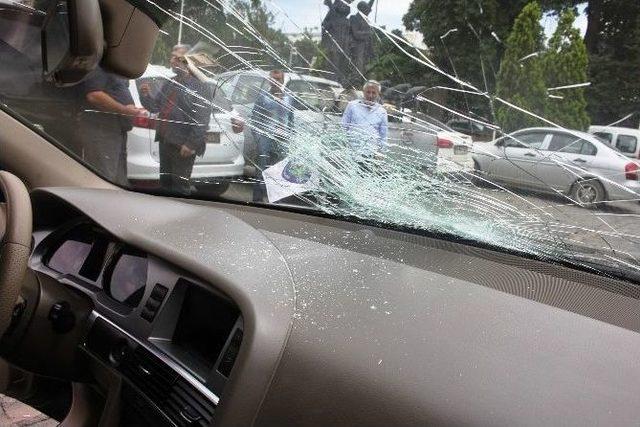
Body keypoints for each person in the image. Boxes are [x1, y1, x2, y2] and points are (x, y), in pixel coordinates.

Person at [139, 44, 210, 195]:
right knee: (165, 184)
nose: (172, 60)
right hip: (166, 140)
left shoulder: (200, 86)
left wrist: (190, 144)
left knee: (180, 187)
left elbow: (202, 119)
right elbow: (155, 107)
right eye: (172, 57)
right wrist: (145, 95)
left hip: (182, 145)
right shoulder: (170, 82)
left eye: (176, 58)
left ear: (188, 61)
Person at [76, 67, 145, 186]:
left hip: (117, 131)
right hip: (102, 131)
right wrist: (123, 110)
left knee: (118, 180)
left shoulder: (119, 69)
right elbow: (94, 95)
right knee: (105, 179)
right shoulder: (102, 66)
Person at [249, 69, 294, 202]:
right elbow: (254, 119)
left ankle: (277, 199)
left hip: (283, 139)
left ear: (282, 80)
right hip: (265, 138)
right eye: (272, 79)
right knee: (262, 168)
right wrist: (258, 138)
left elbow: (291, 119)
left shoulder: (289, 97)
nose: (275, 82)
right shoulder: (263, 96)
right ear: (269, 80)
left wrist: (290, 136)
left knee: (280, 169)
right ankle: (258, 199)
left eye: (278, 80)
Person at [341, 80, 388, 160]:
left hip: (371, 155)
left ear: (378, 94)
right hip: (352, 153)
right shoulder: (352, 106)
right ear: (363, 92)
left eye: (374, 93)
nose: (370, 95)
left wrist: (381, 152)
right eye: (368, 92)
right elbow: (343, 127)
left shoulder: (382, 111)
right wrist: (344, 147)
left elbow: (383, 135)